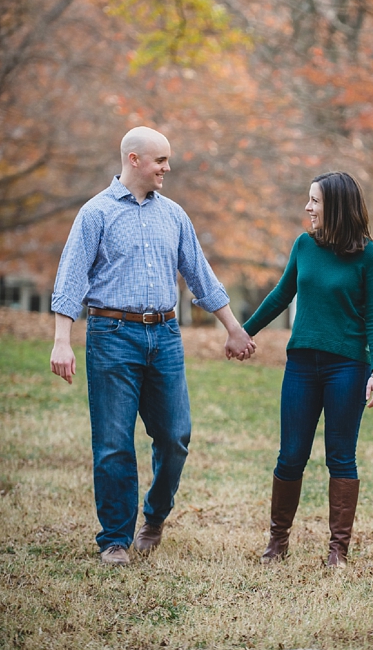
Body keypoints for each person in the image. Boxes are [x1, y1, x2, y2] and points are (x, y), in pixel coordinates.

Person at [50, 126, 256, 566]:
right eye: (160, 160)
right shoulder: (95, 214)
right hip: (110, 337)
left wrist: (233, 328)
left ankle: (155, 517)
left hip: (164, 337)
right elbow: (70, 280)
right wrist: (61, 342)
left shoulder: (174, 215)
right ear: (134, 160)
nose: (167, 168)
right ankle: (115, 540)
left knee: (176, 435)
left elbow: (201, 275)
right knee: (113, 442)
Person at [241, 172, 373, 568]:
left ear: (336, 206)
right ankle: (277, 542)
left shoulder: (371, 256)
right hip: (302, 365)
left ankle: (337, 551)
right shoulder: (304, 245)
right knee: (290, 455)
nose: (308, 207)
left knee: (340, 457)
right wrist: (243, 332)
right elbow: (281, 294)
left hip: (347, 367)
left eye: (315, 201)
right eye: (309, 200)